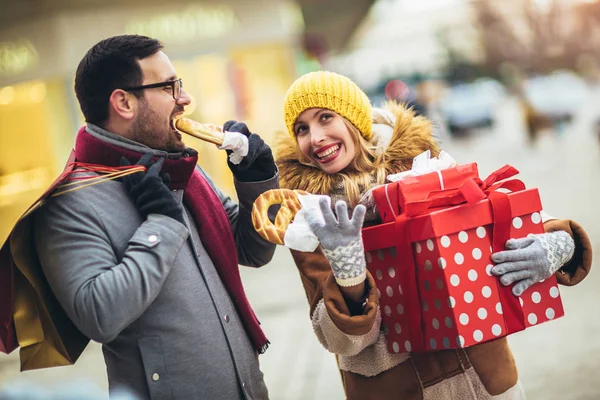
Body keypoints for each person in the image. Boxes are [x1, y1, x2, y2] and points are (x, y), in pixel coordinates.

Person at [275, 71, 592, 400]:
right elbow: (340, 340)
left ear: (353, 118)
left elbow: (482, 218)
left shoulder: (421, 165)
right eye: (302, 129)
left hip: (483, 381)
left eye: (325, 118)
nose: (315, 137)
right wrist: (348, 275)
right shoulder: (310, 218)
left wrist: (556, 242)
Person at [28, 34, 278, 399]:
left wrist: (255, 180)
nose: (185, 99)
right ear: (124, 102)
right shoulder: (70, 201)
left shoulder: (180, 169)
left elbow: (252, 251)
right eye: (170, 87)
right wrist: (162, 223)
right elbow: (99, 315)